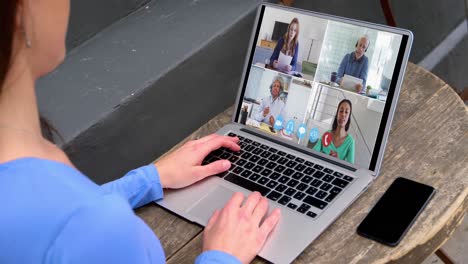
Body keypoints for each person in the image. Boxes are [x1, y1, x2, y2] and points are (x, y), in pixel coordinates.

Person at [0, 1, 281, 263]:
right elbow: (73, 228)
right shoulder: (97, 231)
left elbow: (48, 219)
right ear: (22, 12)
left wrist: (148, 180)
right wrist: (223, 256)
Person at [313, 99, 355, 164]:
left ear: (349, 117)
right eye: (341, 111)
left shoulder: (350, 142)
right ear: (337, 114)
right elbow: (313, 153)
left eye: (346, 112)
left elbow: (350, 167)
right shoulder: (327, 135)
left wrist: (337, 162)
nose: (343, 114)